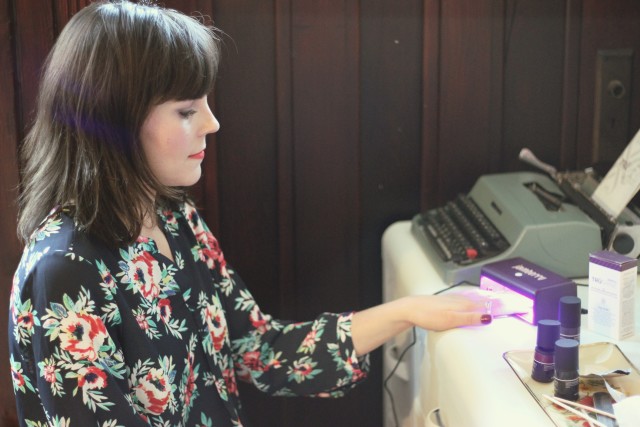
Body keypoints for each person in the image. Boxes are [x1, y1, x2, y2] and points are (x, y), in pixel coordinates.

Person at [8, 1, 492, 425]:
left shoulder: (174, 218)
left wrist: (408, 311)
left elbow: (260, 351)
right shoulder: (64, 269)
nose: (212, 123)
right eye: (185, 110)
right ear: (114, 119)